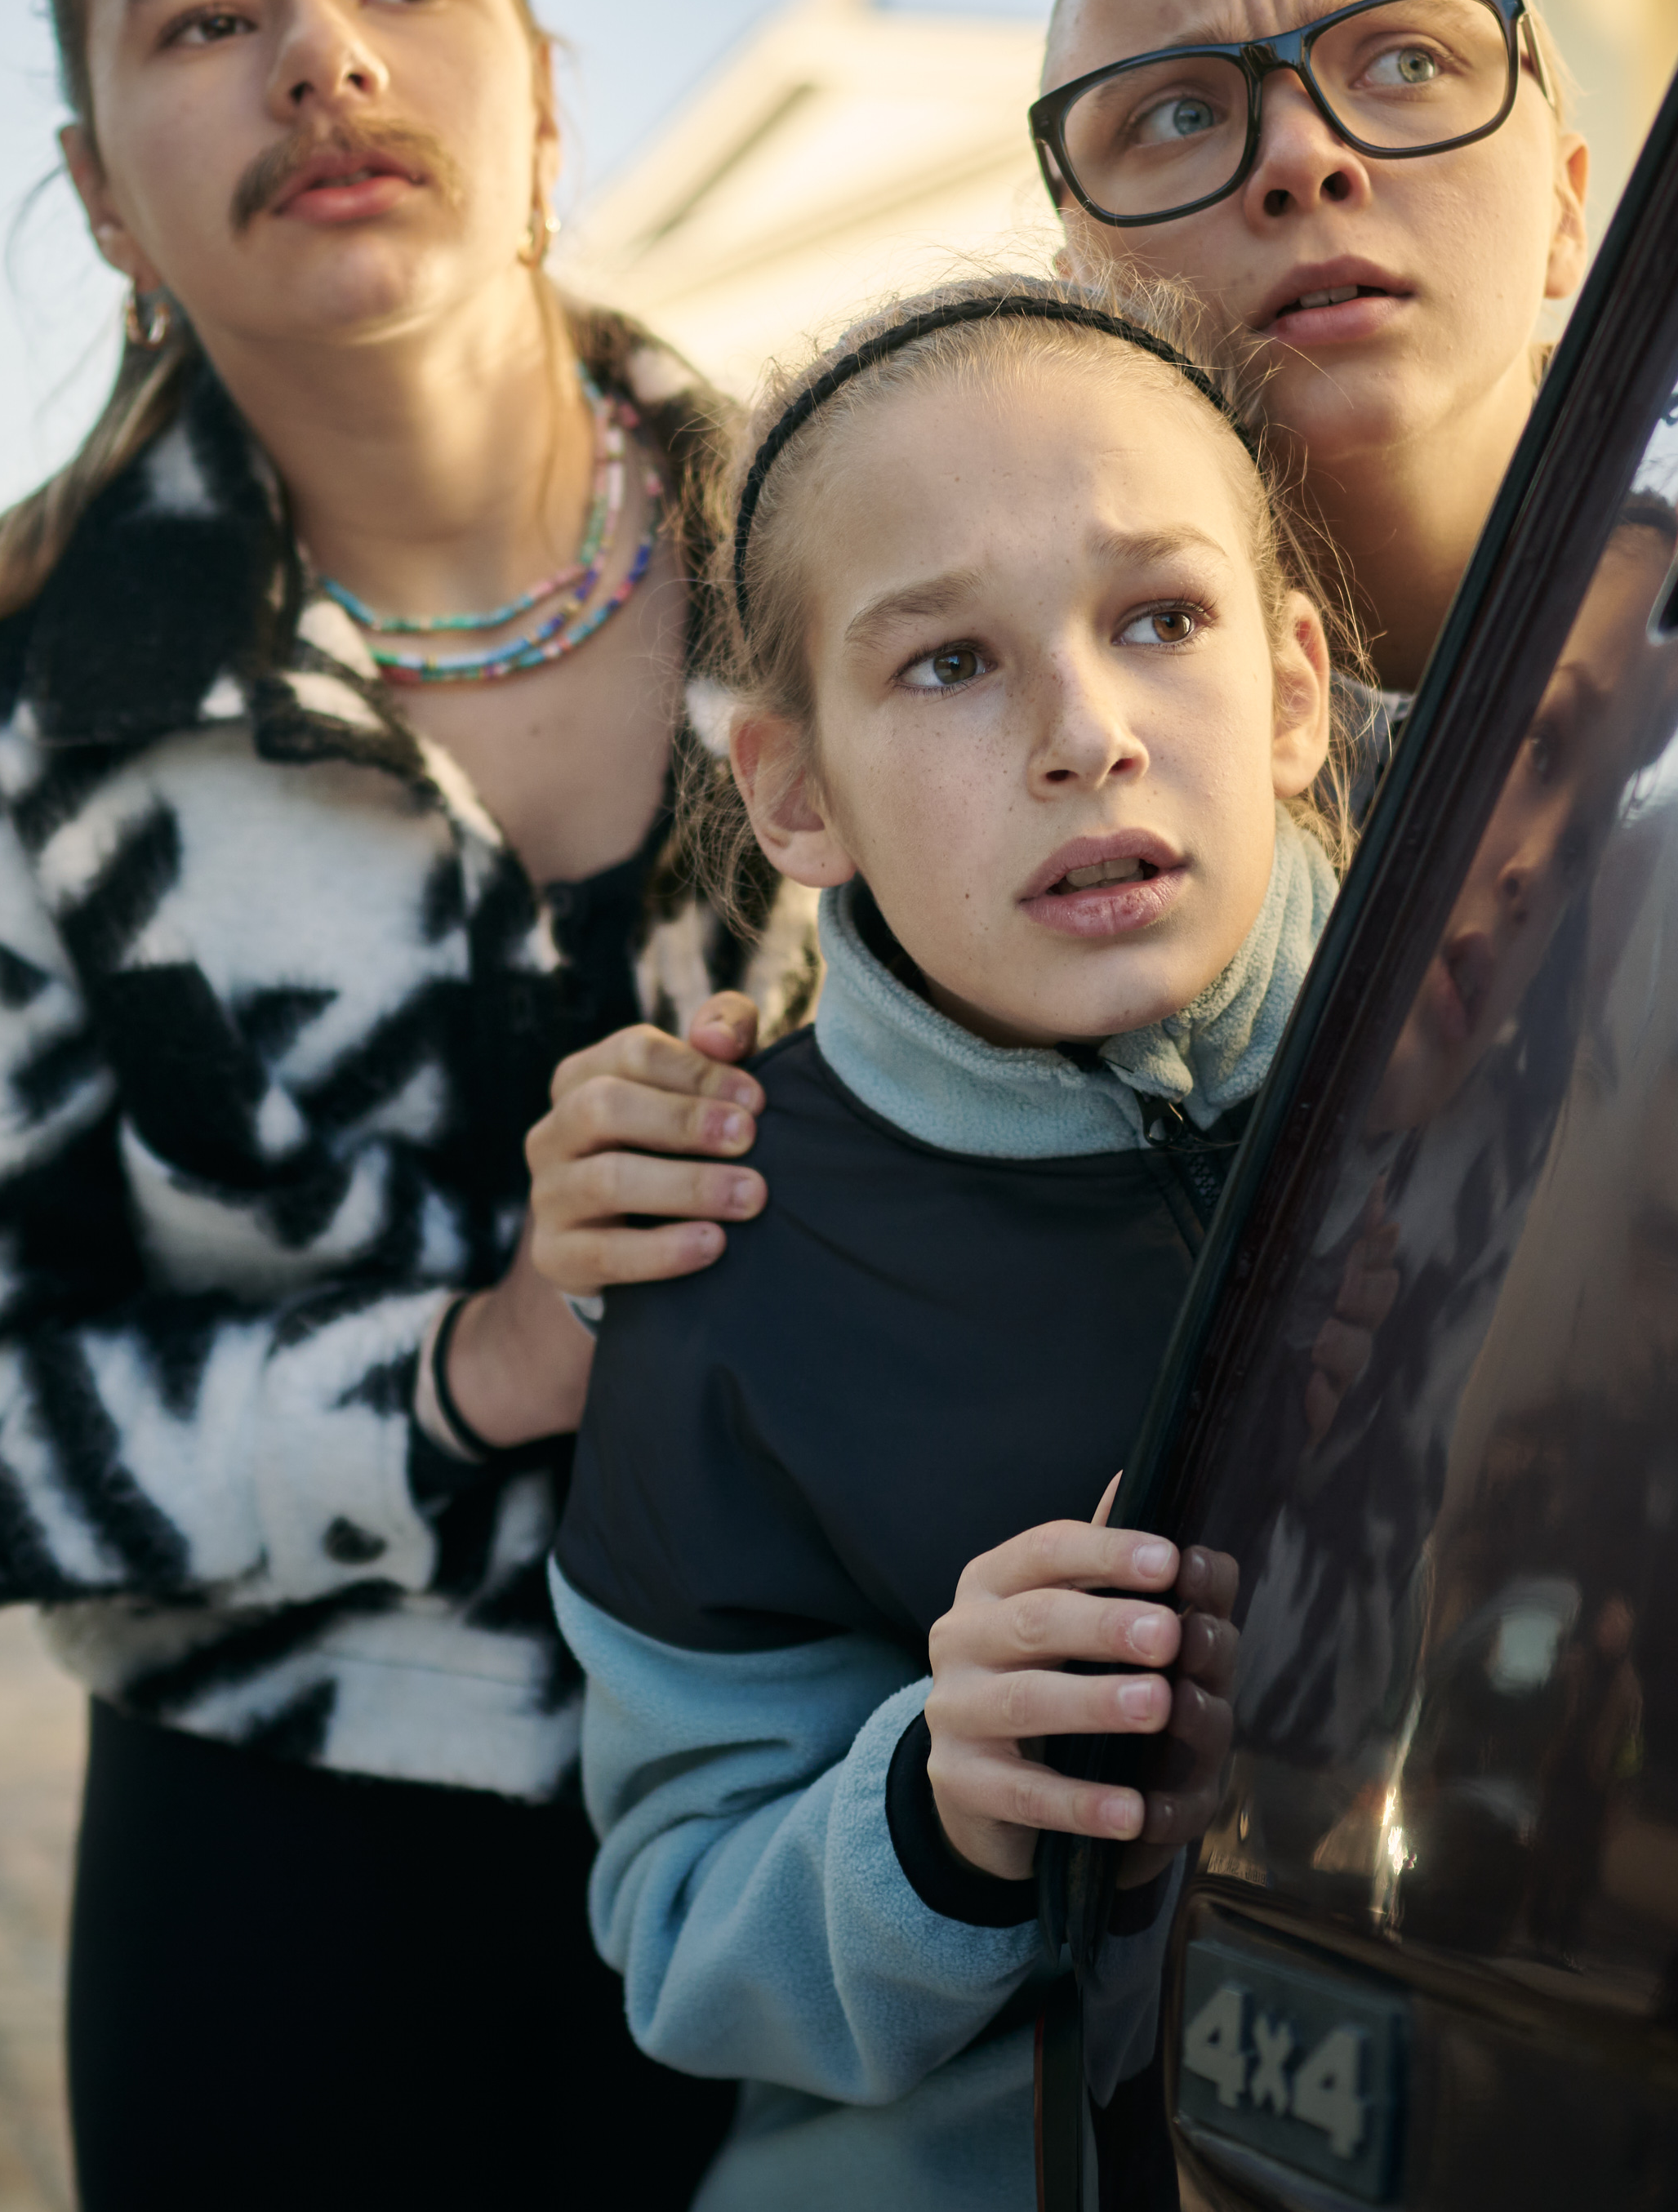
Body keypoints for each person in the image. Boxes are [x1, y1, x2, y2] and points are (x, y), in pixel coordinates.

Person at [0, 0, 775, 2211]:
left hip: (844, 1825)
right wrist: (462, 1372)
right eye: (201, 18)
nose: (321, 54)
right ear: (106, 191)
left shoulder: (856, 566)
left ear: (539, 90)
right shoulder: (18, 722)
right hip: (285, 1888)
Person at [523, 0, 1586, 1305]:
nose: (1303, 156)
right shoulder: (965, 915)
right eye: (1177, 111)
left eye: (1407, 61)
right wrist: (663, 1193)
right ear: (1085, 281)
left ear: (1565, 200)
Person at [548, 278, 1341, 2205]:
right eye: (947, 665)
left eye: (1158, 619)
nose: (1086, 733)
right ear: (792, 791)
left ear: (1298, 688)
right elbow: (680, 1916)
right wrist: (937, 1804)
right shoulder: (721, 1256)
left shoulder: (1518, 1048)